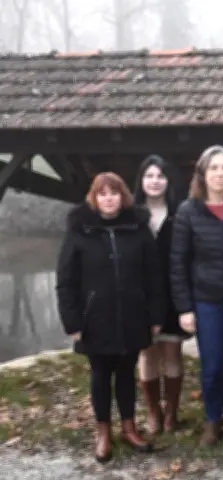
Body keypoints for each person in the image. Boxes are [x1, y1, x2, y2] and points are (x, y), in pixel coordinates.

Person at [56, 172, 163, 462]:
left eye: (114, 193)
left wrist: (155, 314)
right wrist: (72, 321)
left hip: (133, 315)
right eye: (102, 194)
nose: (108, 199)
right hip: (95, 318)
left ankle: (129, 427)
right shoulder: (80, 230)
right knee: (100, 374)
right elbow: (65, 280)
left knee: (127, 372)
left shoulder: (138, 228)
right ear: (94, 197)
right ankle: (103, 431)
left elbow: (153, 275)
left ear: (122, 196)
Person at [171, 145, 223, 447]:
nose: (220, 174)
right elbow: (178, 262)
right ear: (203, 174)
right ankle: (212, 418)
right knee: (213, 362)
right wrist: (184, 308)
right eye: (214, 168)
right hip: (206, 300)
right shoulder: (188, 211)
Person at [133, 155, 190, 436]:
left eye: (160, 176)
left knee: (172, 352)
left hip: (172, 292)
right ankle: (153, 411)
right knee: (147, 353)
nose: (155, 181)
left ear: (168, 181)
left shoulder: (180, 214)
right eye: (149, 176)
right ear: (141, 181)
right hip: (140, 295)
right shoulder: (131, 215)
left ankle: (171, 413)